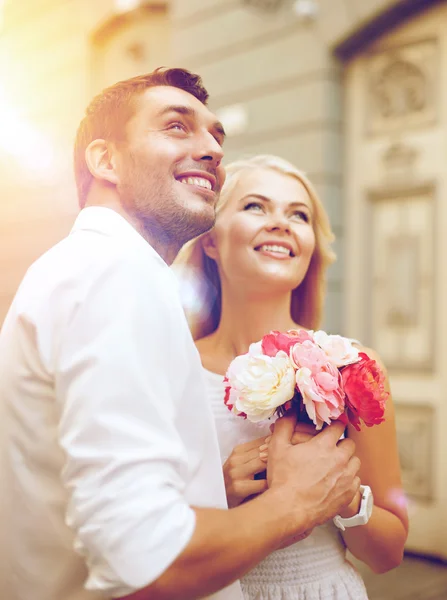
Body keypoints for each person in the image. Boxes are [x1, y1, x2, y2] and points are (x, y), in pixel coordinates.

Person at [0, 70, 361, 600]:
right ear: (106, 161)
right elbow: (144, 558)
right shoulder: (115, 274)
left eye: (217, 136)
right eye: (176, 127)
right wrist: (297, 503)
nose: (212, 150)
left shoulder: (98, 270)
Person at [175, 154, 409, 600]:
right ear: (209, 240)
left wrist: (341, 497)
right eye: (255, 207)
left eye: (298, 215)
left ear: (309, 246)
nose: (281, 223)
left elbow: (389, 552)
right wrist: (215, 492)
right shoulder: (170, 366)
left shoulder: (354, 368)